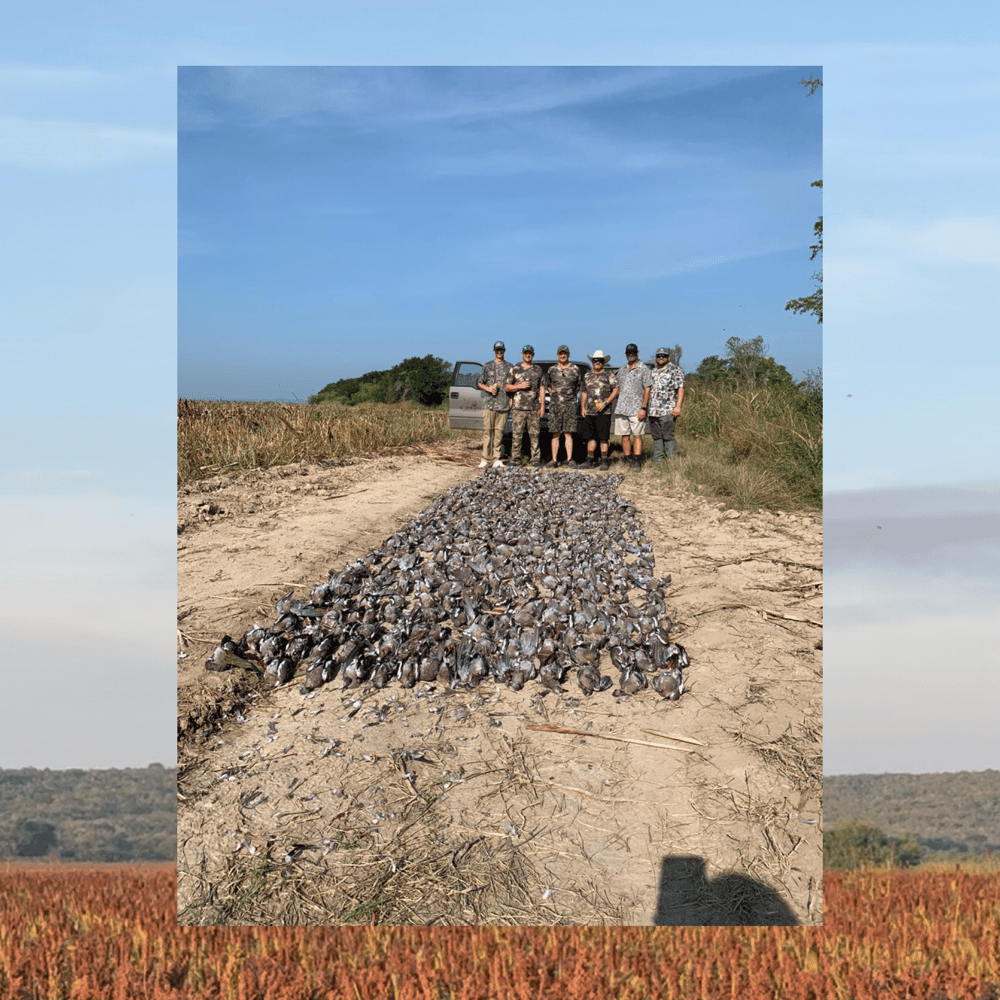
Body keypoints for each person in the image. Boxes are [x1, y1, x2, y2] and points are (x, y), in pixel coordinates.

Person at [505, 345, 545, 467]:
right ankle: (515, 459)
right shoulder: (515, 369)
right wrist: (519, 386)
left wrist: (542, 405)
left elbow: (541, 387)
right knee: (516, 434)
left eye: (530, 353)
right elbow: (507, 386)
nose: (528, 355)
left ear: (533, 354)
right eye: (526, 353)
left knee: (535, 435)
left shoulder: (538, 370)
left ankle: (535, 460)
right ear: (522, 354)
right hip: (518, 408)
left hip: (534, 408)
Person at [613, 343, 652, 467]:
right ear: (625, 355)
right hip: (622, 408)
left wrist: (643, 407)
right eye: (629, 353)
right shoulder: (622, 370)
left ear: (638, 353)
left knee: (637, 435)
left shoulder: (644, 369)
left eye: (633, 353)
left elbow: (647, 389)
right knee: (624, 436)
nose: (631, 355)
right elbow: (616, 388)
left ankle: (637, 460)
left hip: (637, 408)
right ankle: (627, 458)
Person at [580, 349, 619, 470]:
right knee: (590, 437)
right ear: (592, 361)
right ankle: (590, 460)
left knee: (603, 438)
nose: (597, 362)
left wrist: (606, 402)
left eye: (600, 360)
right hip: (590, 411)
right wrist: (583, 407)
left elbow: (616, 389)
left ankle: (604, 460)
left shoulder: (609, 375)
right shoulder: (587, 375)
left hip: (604, 411)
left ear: (603, 362)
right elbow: (584, 392)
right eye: (595, 360)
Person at [476, 341, 513, 468]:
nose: (499, 352)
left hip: (503, 404)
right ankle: (485, 458)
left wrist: (511, 399)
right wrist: (487, 389)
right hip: (489, 404)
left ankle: (497, 458)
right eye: (497, 350)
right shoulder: (487, 366)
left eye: (501, 350)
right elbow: (479, 383)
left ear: (504, 351)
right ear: (494, 351)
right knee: (487, 432)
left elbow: (512, 385)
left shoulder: (509, 367)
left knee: (499, 432)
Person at [543, 345, 581, 467]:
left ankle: (569, 459)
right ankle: (554, 460)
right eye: (560, 354)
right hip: (555, 406)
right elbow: (549, 386)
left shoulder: (575, 369)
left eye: (565, 353)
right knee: (555, 433)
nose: (562, 355)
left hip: (569, 405)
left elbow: (577, 387)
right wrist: (556, 395)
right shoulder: (552, 370)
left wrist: (569, 396)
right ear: (557, 355)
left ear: (568, 355)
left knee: (568, 433)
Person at [648, 346, 685, 460]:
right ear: (656, 358)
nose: (661, 358)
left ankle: (672, 461)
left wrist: (677, 407)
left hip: (667, 409)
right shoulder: (652, 371)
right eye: (659, 356)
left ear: (668, 357)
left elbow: (680, 388)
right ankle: (658, 461)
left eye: (664, 356)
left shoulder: (675, 370)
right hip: (653, 410)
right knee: (657, 437)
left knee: (668, 436)